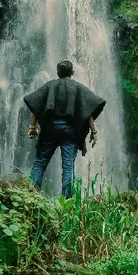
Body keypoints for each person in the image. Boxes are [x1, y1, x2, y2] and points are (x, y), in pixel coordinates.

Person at [23, 60, 106, 198]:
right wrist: (93, 131)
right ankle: (67, 204)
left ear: (57, 72)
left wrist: (32, 127)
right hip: (71, 130)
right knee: (68, 168)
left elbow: (37, 108)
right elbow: (87, 111)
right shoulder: (78, 87)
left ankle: (31, 197)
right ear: (72, 72)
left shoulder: (50, 85)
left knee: (40, 163)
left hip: (50, 128)